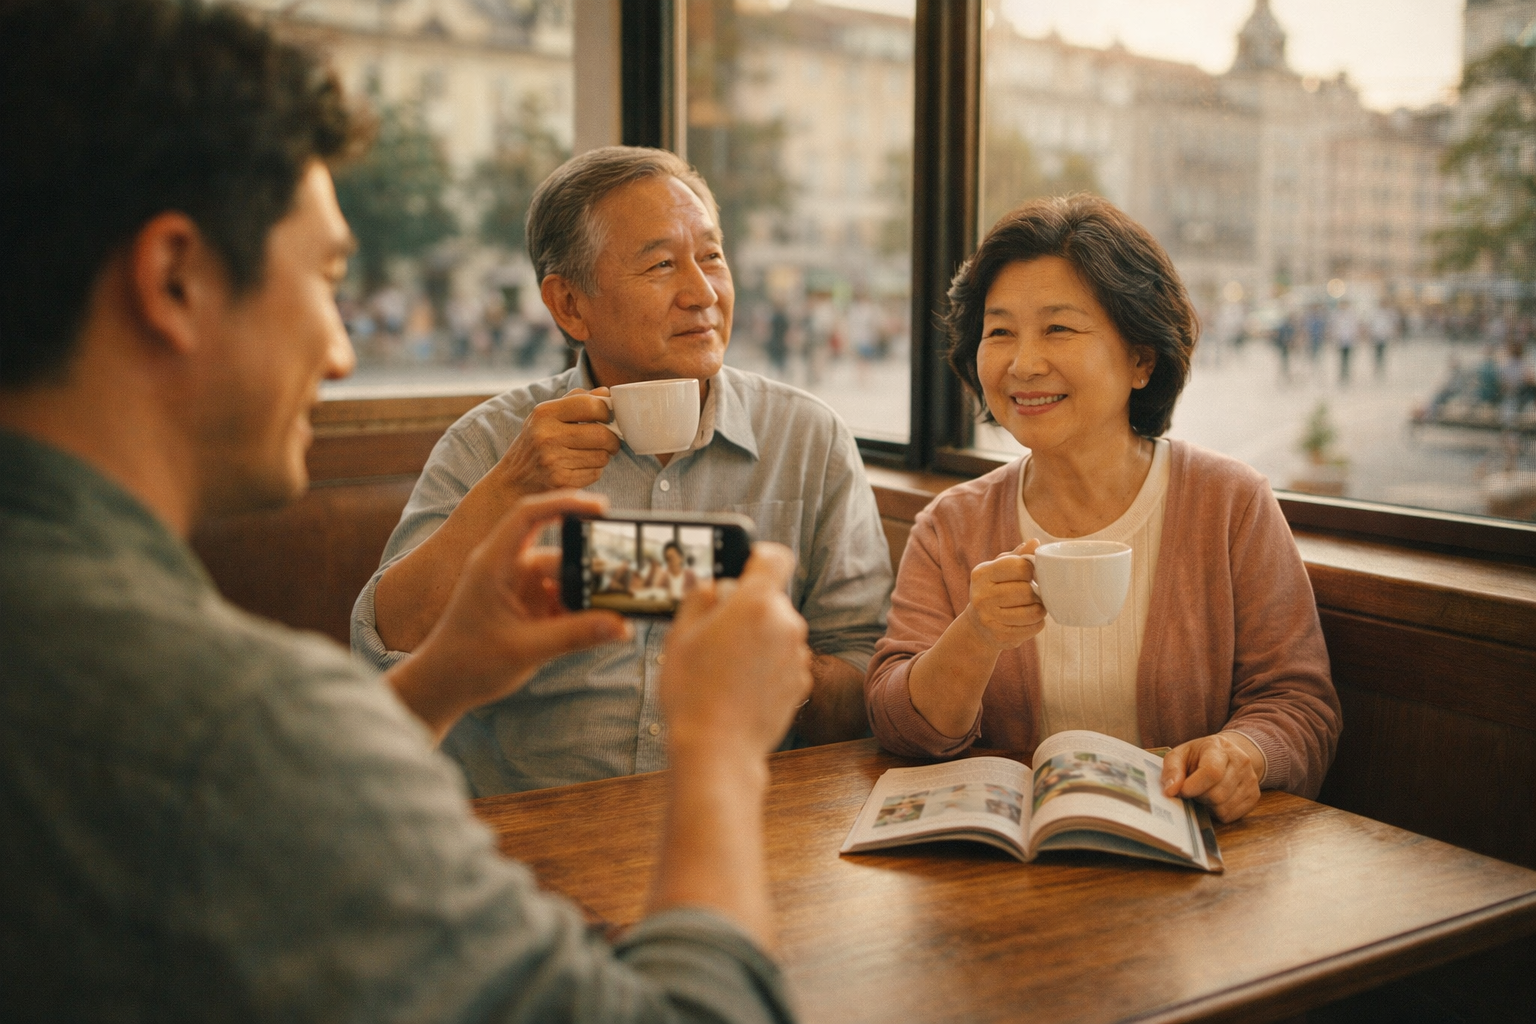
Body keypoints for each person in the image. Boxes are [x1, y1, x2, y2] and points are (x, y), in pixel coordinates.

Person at [0, 2, 812, 1019]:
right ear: (174, 279)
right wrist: (722, 750)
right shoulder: (235, 717)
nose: (342, 351)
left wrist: (439, 679)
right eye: (329, 275)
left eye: (713, 256)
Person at [352, 145, 892, 794]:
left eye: (713, 256)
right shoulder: (493, 441)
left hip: (736, 816)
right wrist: (512, 488)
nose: (703, 292)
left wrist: (768, 665)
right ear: (570, 306)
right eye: (663, 264)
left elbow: (865, 679)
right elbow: (386, 647)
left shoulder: (808, 438)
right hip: (529, 823)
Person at [865, 195, 1340, 824]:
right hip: (1001, 878)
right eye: (999, 331)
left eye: (1058, 328)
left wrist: (1243, 752)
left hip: (1191, 866)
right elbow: (897, 723)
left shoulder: (1229, 504)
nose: (1023, 363)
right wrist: (977, 634)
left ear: (1141, 358)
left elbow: (1298, 702)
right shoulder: (952, 525)